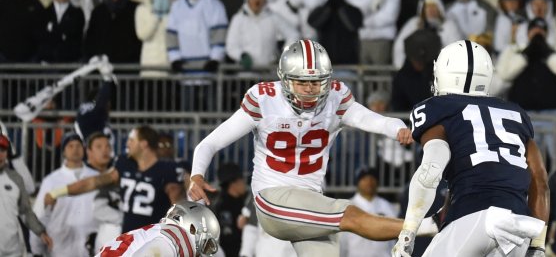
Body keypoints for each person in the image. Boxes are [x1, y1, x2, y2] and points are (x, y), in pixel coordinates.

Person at [185, 39, 421, 256]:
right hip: (272, 197)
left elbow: (370, 119)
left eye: (316, 82)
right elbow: (211, 142)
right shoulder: (265, 99)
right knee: (350, 216)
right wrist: (197, 174)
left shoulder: (335, 97)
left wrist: (396, 128)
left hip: (311, 202)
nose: (310, 89)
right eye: (302, 82)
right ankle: (424, 224)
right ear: (286, 79)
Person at [392, 40, 549, 257]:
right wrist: (538, 244)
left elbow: (430, 171)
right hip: (517, 224)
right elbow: (540, 182)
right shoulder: (515, 114)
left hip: (473, 218)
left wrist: (407, 233)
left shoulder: (438, 109)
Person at [45, 126, 183, 235]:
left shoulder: (168, 169)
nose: (127, 143)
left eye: (131, 140)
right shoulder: (125, 163)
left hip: (154, 239)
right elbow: (92, 182)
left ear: (143, 144)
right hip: (128, 238)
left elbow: (179, 210)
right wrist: (58, 192)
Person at [34, 134, 94, 257]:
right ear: (63, 152)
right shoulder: (51, 180)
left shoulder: (95, 177)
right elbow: (39, 214)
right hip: (60, 247)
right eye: (70, 146)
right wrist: (36, 250)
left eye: (78, 146)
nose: (75, 149)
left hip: (90, 248)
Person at [95, 201, 220, 257]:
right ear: (194, 228)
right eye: (207, 245)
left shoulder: (156, 231)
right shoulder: (180, 237)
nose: (205, 253)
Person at [0, 129, 50, 256]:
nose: (0, 154)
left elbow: (25, 210)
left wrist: (40, 231)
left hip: (13, 249)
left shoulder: (15, 178)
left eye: (3, 150)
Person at [340, 168, 398, 256]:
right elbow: (342, 241)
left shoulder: (387, 206)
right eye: (364, 179)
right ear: (358, 183)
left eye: (372, 178)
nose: (369, 182)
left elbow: (395, 238)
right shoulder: (347, 207)